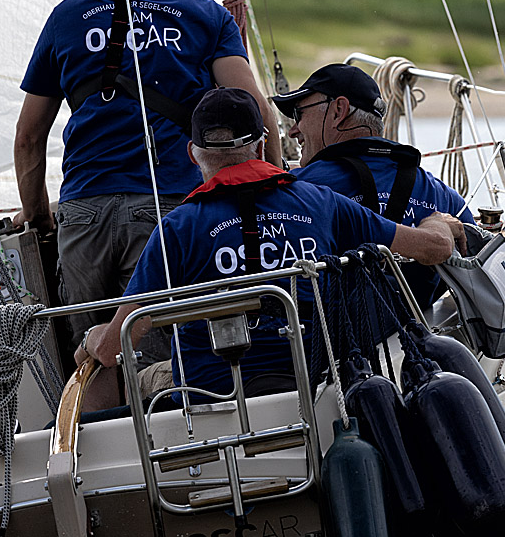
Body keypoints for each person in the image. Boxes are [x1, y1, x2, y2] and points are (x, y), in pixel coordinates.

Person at [73, 87, 467, 410]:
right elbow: (434, 249)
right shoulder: (322, 203)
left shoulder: (177, 229)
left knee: (98, 368)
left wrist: (92, 338)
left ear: (194, 155)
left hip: (211, 405)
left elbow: (114, 347)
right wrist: (437, 221)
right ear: (262, 146)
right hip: (316, 390)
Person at [13, 0, 282, 367]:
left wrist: (40, 219)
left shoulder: (67, 18)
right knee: (160, 364)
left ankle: (93, 436)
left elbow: (28, 138)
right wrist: (275, 182)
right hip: (167, 207)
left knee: (93, 358)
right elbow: (255, 111)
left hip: (82, 216)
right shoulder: (205, 17)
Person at [271, 63, 505, 309]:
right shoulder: (435, 191)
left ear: (339, 111)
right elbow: (482, 253)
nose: (293, 130)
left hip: (334, 350)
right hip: (417, 337)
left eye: (298, 115)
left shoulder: (303, 192)